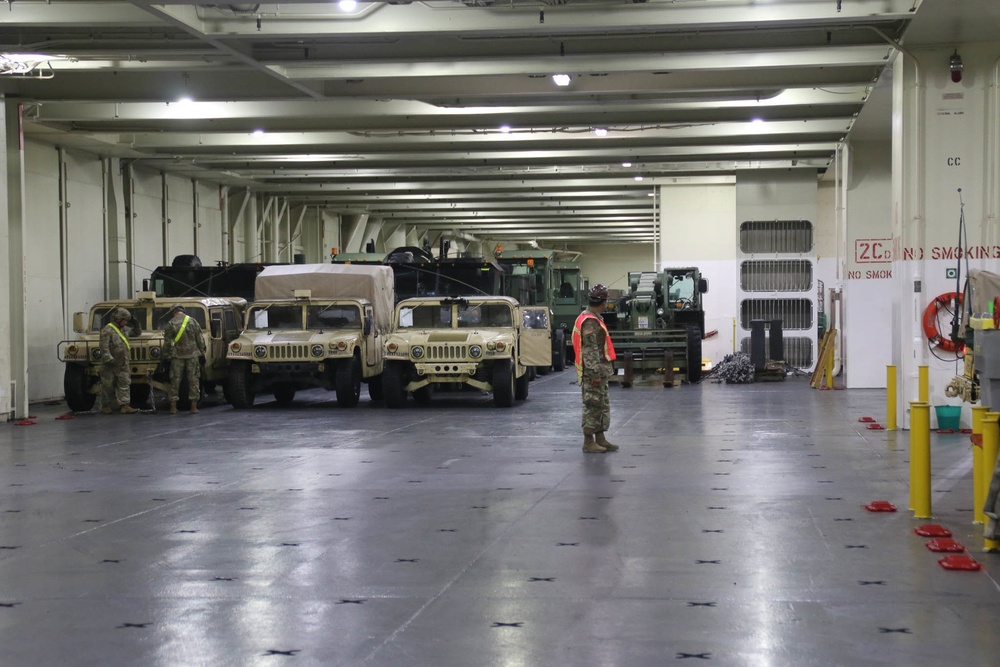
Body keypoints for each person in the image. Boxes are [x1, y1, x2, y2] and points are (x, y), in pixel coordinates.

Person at [572, 284, 618, 453]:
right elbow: (590, 349)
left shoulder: (593, 317)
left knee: (601, 405)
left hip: (599, 370)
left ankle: (600, 438)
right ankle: (588, 442)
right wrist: (594, 373)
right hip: (593, 372)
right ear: (603, 302)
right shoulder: (590, 321)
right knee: (592, 404)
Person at [162, 305, 206, 414]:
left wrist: (166, 356)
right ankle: (194, 406)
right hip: (192, 356)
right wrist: (202, 353)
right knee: (194, 380)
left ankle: (173, 407)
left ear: (174, 312)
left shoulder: (171, 323)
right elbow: (200, 339)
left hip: (177, 357)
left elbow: (167, 342)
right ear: (182, 311)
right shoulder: (193, 322)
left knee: (175, 381)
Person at [99, 307, 138, 415]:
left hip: (123, 363)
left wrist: (136, 323)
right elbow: (104, 347)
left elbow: (136, 333)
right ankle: (105, 405)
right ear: (118, 319)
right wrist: (108, 358)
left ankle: (125, 405)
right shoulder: (107, 330)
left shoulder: (125, 329)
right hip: (110, 364)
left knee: (124, 384)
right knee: (107, 385)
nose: (126, 322)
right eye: (125, 320)